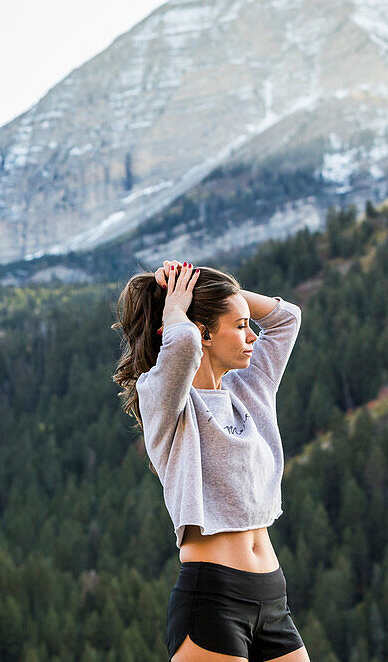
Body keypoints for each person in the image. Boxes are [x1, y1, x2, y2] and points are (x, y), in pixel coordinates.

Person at [112, 260, 309, 661]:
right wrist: (176, 307)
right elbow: (181, 346)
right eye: (239, 326)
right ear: (202, 332)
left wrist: (201, 280)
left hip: (272, 598)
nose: (252, 335)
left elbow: (287, 318)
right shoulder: (166, 400)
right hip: (213, 597)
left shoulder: (251, 386)